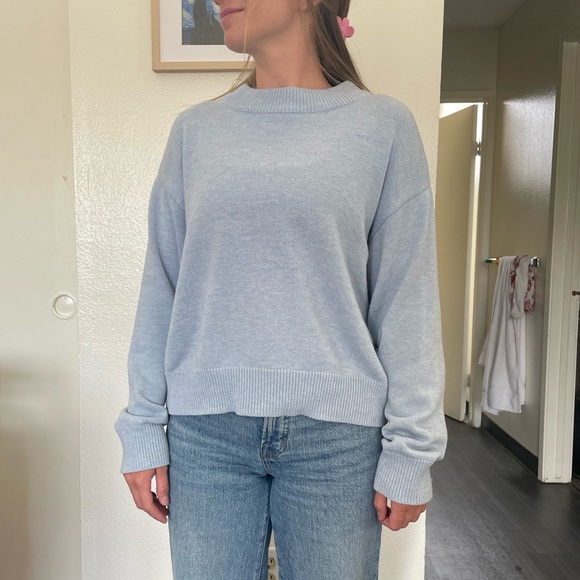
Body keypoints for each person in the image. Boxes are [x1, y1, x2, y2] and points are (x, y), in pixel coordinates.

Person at [114, 1, 447, 578]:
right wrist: (142, 426)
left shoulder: (384, 127)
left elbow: (406, 298)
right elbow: (161, 285)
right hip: (205, 435)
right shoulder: (194, 133)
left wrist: (412, 449)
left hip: (338, 440)